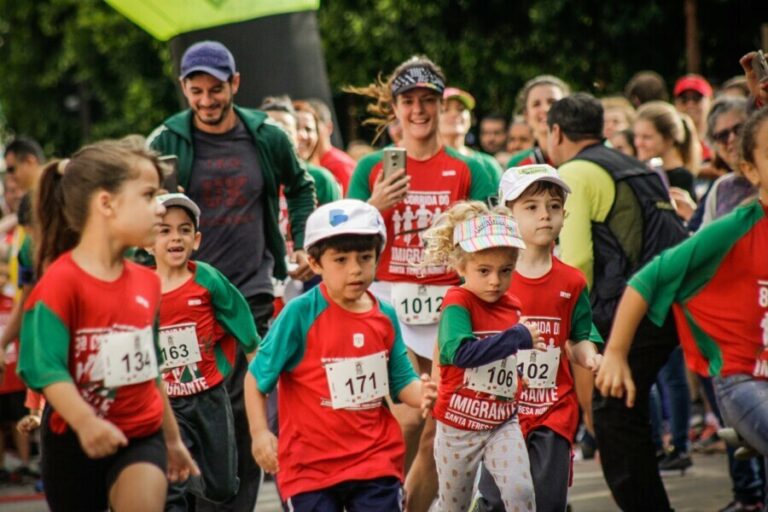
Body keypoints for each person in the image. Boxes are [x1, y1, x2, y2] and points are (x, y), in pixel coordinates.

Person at [148, 40, 316, 511]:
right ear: (183, 88)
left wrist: (300, 243)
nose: (206, 100)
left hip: (250, 289)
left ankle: (235, 505)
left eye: (216, 89)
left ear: (235, 84)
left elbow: (300, 187)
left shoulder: (266, 135)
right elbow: (142, 203)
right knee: (189, 404)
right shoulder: (166, 140)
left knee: (244, 408)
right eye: (196, 90)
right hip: (183, 294)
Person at [595, 106, 768, 508]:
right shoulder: (736, 224)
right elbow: (647, 279)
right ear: (752, 171)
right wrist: (617, 354)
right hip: (742, 379)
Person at [346, 55, 497, 512]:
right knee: (407, 419)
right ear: (394, 108)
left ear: (440, 104)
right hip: (388, 299)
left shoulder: (471, 168)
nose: (418, 110)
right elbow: (344, 242)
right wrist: (374, 204)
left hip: (449, 302)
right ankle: (384, 497)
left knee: (436, 421)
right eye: (408, 101)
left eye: (427, 100)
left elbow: (491, 241)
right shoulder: (372, 167)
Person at [17, 139, 199, 512]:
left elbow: (152, 369)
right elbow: (45, 368)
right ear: (106, 203)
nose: (159, 208)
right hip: (73, 441)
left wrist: (172, 439)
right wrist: (86, 423)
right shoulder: (59, 284)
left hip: (140, 435)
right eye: (149, 196)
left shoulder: (148, 283)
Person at [245, 199, 437, 511]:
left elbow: (401, 382)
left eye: (365, 257)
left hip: (376, 461)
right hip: (311, 470)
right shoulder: (300, 314)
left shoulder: (385, 315)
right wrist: (259, 433)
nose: (355, 269)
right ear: (316, 263)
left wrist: (424, 394)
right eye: (341, 260)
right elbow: (256, 379)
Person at [546, 93, 688, 512]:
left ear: (556, 132)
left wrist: (569, 325)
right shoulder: (634, 166)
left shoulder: (574, 170)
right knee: (628, 416)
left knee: (612, 421)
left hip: (628, 313)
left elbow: (578, 261)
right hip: (667, 308)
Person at [474, 164, 604, 512]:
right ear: (507, 214)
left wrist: (590, 356)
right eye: (531, 207)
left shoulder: (572, 281)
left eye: (554, 206)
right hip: (498, 411)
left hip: (552, 410)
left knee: (547, 502)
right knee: (497, 501)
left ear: (565, 215)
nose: (544, 215)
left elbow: (577, 338)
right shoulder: (490, 279)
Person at [420, 201, 542, 511]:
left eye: (505, 271)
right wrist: (516, 337)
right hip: (457, 429)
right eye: (483, 271)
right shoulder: (457, 302)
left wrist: (519, 378)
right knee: (454, 506)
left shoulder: (512, 306)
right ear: (461, 267)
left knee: (520, 490)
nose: (494, 281)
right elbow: (460, 353)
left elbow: (507, 361)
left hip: (501, 422)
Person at [152, 193, 260, 510]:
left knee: (222, 486)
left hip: (209, 396)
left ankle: (187, 481)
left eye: (184, 230)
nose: (176, 237)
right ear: (148, 241)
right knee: (172, 484)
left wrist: (260, 371)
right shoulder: (141, 288)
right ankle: (174, 487)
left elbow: (243, 322)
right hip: (166, 400)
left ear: (196, 239)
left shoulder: (207, 279)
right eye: (165, 230)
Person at [634, 101, 700, 221]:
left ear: (669, 138)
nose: (638, 143)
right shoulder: (644, 172)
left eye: (647, 137)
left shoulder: (681, 178)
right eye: (636, 136)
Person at [439, 86, 503, 181]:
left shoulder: (488, 165)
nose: (454, 114)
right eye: (444, 110)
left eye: (461, 109)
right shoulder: (420, 164)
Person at [507, 75, 570, 168]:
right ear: (526, 115)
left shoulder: (580, 156)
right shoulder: (517, 163)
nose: (545, 109)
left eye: (552, 102)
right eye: (536, 104)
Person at [308, 98, 357, 194]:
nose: (305, 135)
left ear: (329, 127)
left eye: (310, 128)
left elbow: (352, 205)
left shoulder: (340, 165)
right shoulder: (310, 165)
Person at [673, 74, 714, 162]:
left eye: (696, 98)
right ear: (675, 104)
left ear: (710, 101)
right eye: (684, 99)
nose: (690, 105)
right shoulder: (671, 142)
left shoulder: (720, 138)